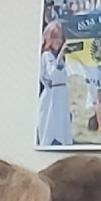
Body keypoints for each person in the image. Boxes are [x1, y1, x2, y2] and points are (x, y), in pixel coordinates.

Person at [37, 17, 73, 149]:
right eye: (55, 37)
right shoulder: (47, 56)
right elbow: (53, 73)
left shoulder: (57, 57)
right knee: (50, 123)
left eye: (60, 37)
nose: (58, 41)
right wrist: (61, 56)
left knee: (62, 121)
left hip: (61, 94)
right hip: (51, 96)